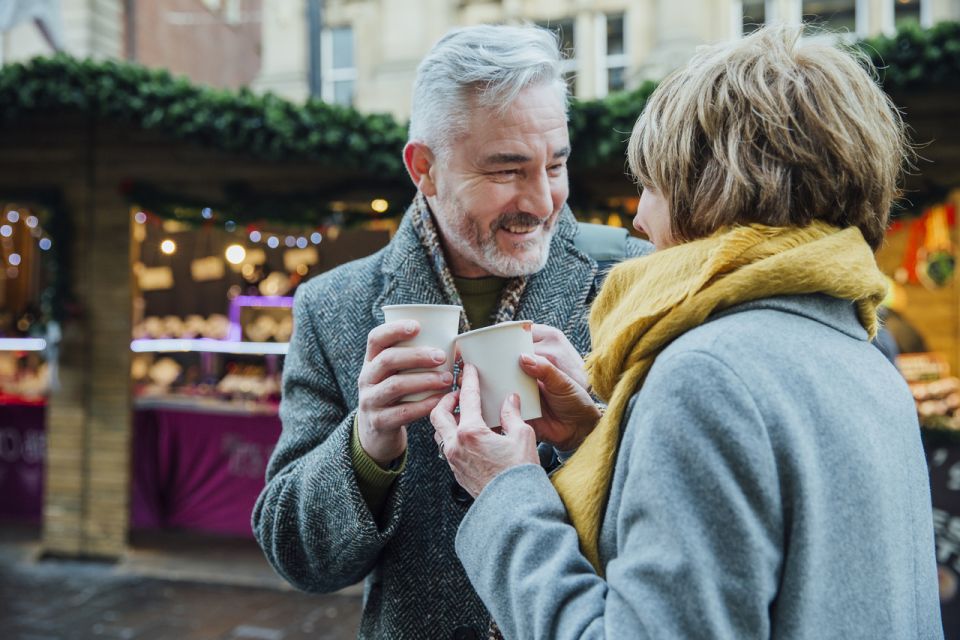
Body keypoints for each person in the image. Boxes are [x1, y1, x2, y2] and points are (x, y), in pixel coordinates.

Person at [431, 25, 943, 639]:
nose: (640, 217)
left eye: (650, 183)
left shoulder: (708, 374)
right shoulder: (861, 356)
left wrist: (504, 493)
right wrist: (598, 438)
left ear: (710, 190)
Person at [251, 23, 651, 640]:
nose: (543, 200)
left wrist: (587, 439)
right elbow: (296, 557)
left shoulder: (630, 281)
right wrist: (366, 444)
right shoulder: (335, 305)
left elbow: (678, 518)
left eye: (557, 163)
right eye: (507, 170)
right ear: (425, 169)